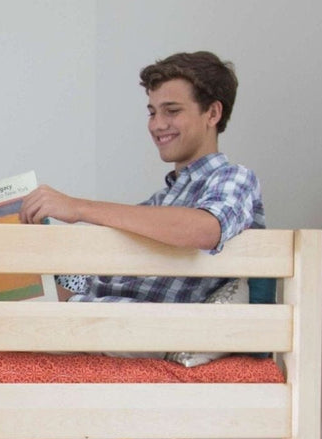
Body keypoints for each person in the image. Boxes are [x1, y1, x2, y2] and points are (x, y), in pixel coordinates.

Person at [19, 51, 264, 303]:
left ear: (212, 114)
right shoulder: (162, 200)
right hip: (96, 301)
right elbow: (111, 258)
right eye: (152, 113)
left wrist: (77, 207)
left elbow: (206, 230)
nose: (157, 125)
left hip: (138, 323)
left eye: (171, 111)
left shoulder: (235, 178)